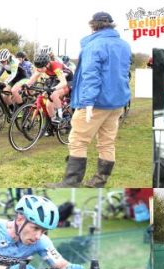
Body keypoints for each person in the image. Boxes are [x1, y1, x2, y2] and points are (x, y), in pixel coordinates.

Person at [50, 11, 131, 188]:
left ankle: (71, 182)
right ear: (111, 24)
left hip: (96, 102)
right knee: (107, 142)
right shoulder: (124, 45)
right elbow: (124, 73)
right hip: (116, 102)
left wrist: (88, 102)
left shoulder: (93, 46)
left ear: (92, 25)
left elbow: (91, 76)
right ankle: (99, 181)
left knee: (78, 139)